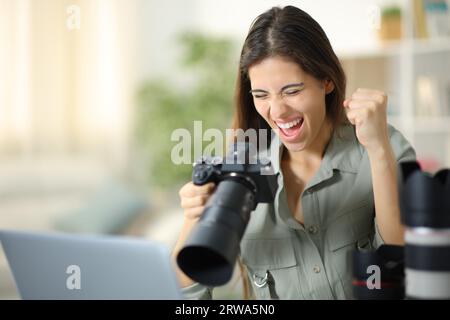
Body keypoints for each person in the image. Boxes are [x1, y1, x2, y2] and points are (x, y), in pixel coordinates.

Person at [172, 5, 416, 299]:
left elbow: (403, 257)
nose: (277, 111)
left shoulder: (383, 147)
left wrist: (378, 150)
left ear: (326, 80)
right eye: (261, 95)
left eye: (291, 90)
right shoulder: (241, 174)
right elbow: (188, 296)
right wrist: (195, 218)